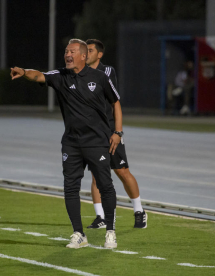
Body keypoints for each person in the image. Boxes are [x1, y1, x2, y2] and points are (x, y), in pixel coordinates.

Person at [10, 38, 122, 249]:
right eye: (65, 52)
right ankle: (79, 234)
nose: (67, 55)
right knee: (70, 188)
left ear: (83, 56)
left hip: (97, 141)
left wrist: (117, 132)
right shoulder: (60, 76)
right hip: (71, 143)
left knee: (106, 186)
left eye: (71, 51)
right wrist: (24, 72)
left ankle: (110, 232)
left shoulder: (99, 77)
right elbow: (39, 75)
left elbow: (116, 102)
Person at [85, 39, 147, 229]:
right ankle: (101, 217)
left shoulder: (107, 71)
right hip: (92, 133)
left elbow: (114, 103)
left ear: (99, 54)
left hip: (110, 130)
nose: (86, 53)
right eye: (84, 50)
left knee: (121, 171)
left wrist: (117, 131)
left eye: (90, 50)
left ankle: (139, 211)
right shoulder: (79, 74)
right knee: (96, 175)